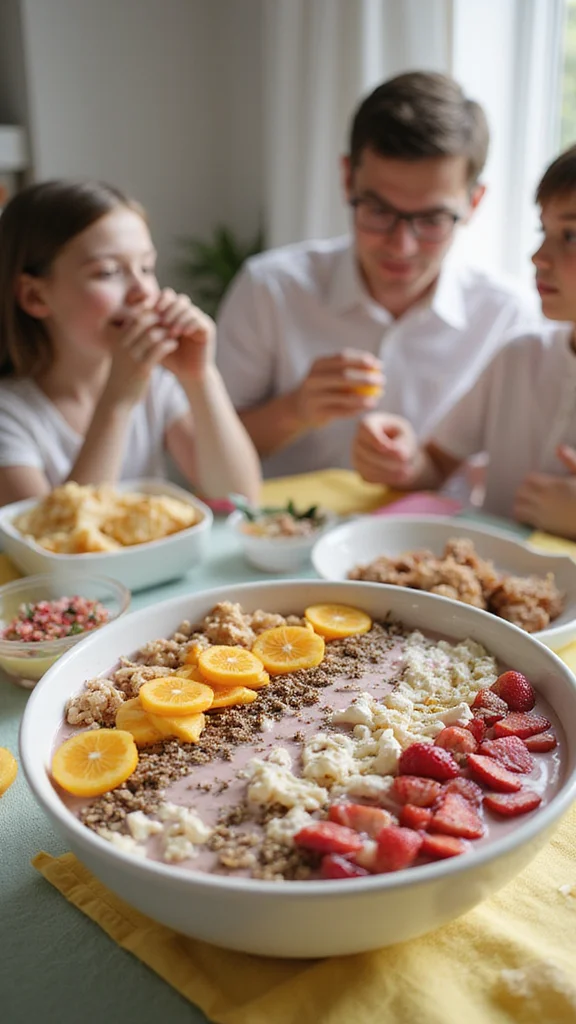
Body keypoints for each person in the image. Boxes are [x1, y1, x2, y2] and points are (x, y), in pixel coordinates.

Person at [216, 71, 538, 479]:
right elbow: (201, 452)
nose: (401, 246)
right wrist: (295, 410)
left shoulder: (508, 316)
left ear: (474, 202)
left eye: (432, 219)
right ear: (347, 178)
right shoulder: (270, 289)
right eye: (379, 211)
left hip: (439, 538)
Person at [352, 144, 576, 539]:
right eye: (545, 230)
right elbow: (436, 467)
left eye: (571, 235)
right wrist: (402, 459)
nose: (539, 256)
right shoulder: (519, 356)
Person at [0, 180, 261, 507]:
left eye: (146, 267)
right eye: (108, 272)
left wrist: (200, 377)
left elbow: (237, 498)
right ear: (35, 295)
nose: (142, 291)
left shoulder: (156, 387)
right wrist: (116, 403)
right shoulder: (10, 417)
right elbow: (55, 543)